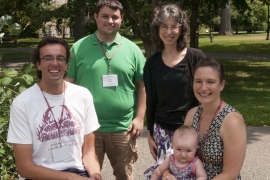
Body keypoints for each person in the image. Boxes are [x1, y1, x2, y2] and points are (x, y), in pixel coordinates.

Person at [65, 0, 146, 179]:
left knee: (125, 175)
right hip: (87, 129)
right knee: (87, 176)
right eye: (105, 16)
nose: (110, 21)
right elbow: (67, 86)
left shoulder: (133, 50)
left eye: (115, 17)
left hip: (123, 128)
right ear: (95, 17)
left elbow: (143, 85)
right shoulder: (79, 47)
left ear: (121, 19)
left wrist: (139, 118)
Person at [7, 37, 101, 180]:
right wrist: (69, 178)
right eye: (48, 58)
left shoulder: (83, 96)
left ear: (67, 65)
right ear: (38, 64)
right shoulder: (23, 103)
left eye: (60, 58)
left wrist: (95, 175)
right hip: (40, 175)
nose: (55, 63)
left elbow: (88, 152)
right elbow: (24, 167)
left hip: (78, 173)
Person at [143, 4, 206, 179]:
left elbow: (206, 93)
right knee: (165, 175)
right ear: (158, 29)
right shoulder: (151, 64)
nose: (169, 31)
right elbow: (151, 101)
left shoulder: (196, 57)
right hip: (163, 131)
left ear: (181, 29)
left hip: (191, 131)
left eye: (174, 26)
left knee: (192, 174)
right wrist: (149, 134)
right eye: (164, 26)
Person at [164, 57, 247, 179]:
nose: (203, 88)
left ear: (221, 85)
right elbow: (178, 155)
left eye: (210, 82)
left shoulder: (232, 120)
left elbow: (230, 174)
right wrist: (167, 173)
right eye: (198, 81)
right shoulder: (192, 114)